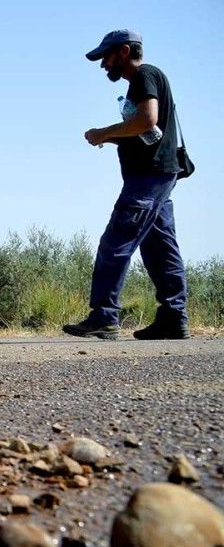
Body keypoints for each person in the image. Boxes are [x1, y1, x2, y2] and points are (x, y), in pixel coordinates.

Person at [64, 29, 190, 341]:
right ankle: (174, 318)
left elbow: (147, 120)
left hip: (149, 177)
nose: (103, 64)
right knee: (160, 248)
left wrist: (104, 133)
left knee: (115, 241)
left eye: (106, 56)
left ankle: (104, 317)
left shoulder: (144, 76)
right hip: (159, 175)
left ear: (123, 51)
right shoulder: (147, 79)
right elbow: (145, 128)